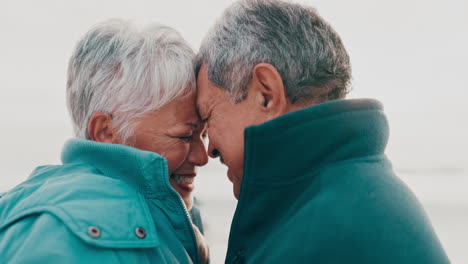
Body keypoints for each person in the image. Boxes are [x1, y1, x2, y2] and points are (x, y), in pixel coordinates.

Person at [195, 0, 450, 263]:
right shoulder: (357, 194)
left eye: (207, 117)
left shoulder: (329, 227)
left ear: (266, 95)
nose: (208, 149)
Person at [0, 19, 209, 263]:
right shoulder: (73, 236)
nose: (202, 156)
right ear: (105, 133)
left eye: (204, 135)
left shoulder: (32, 209)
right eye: (184, 136)